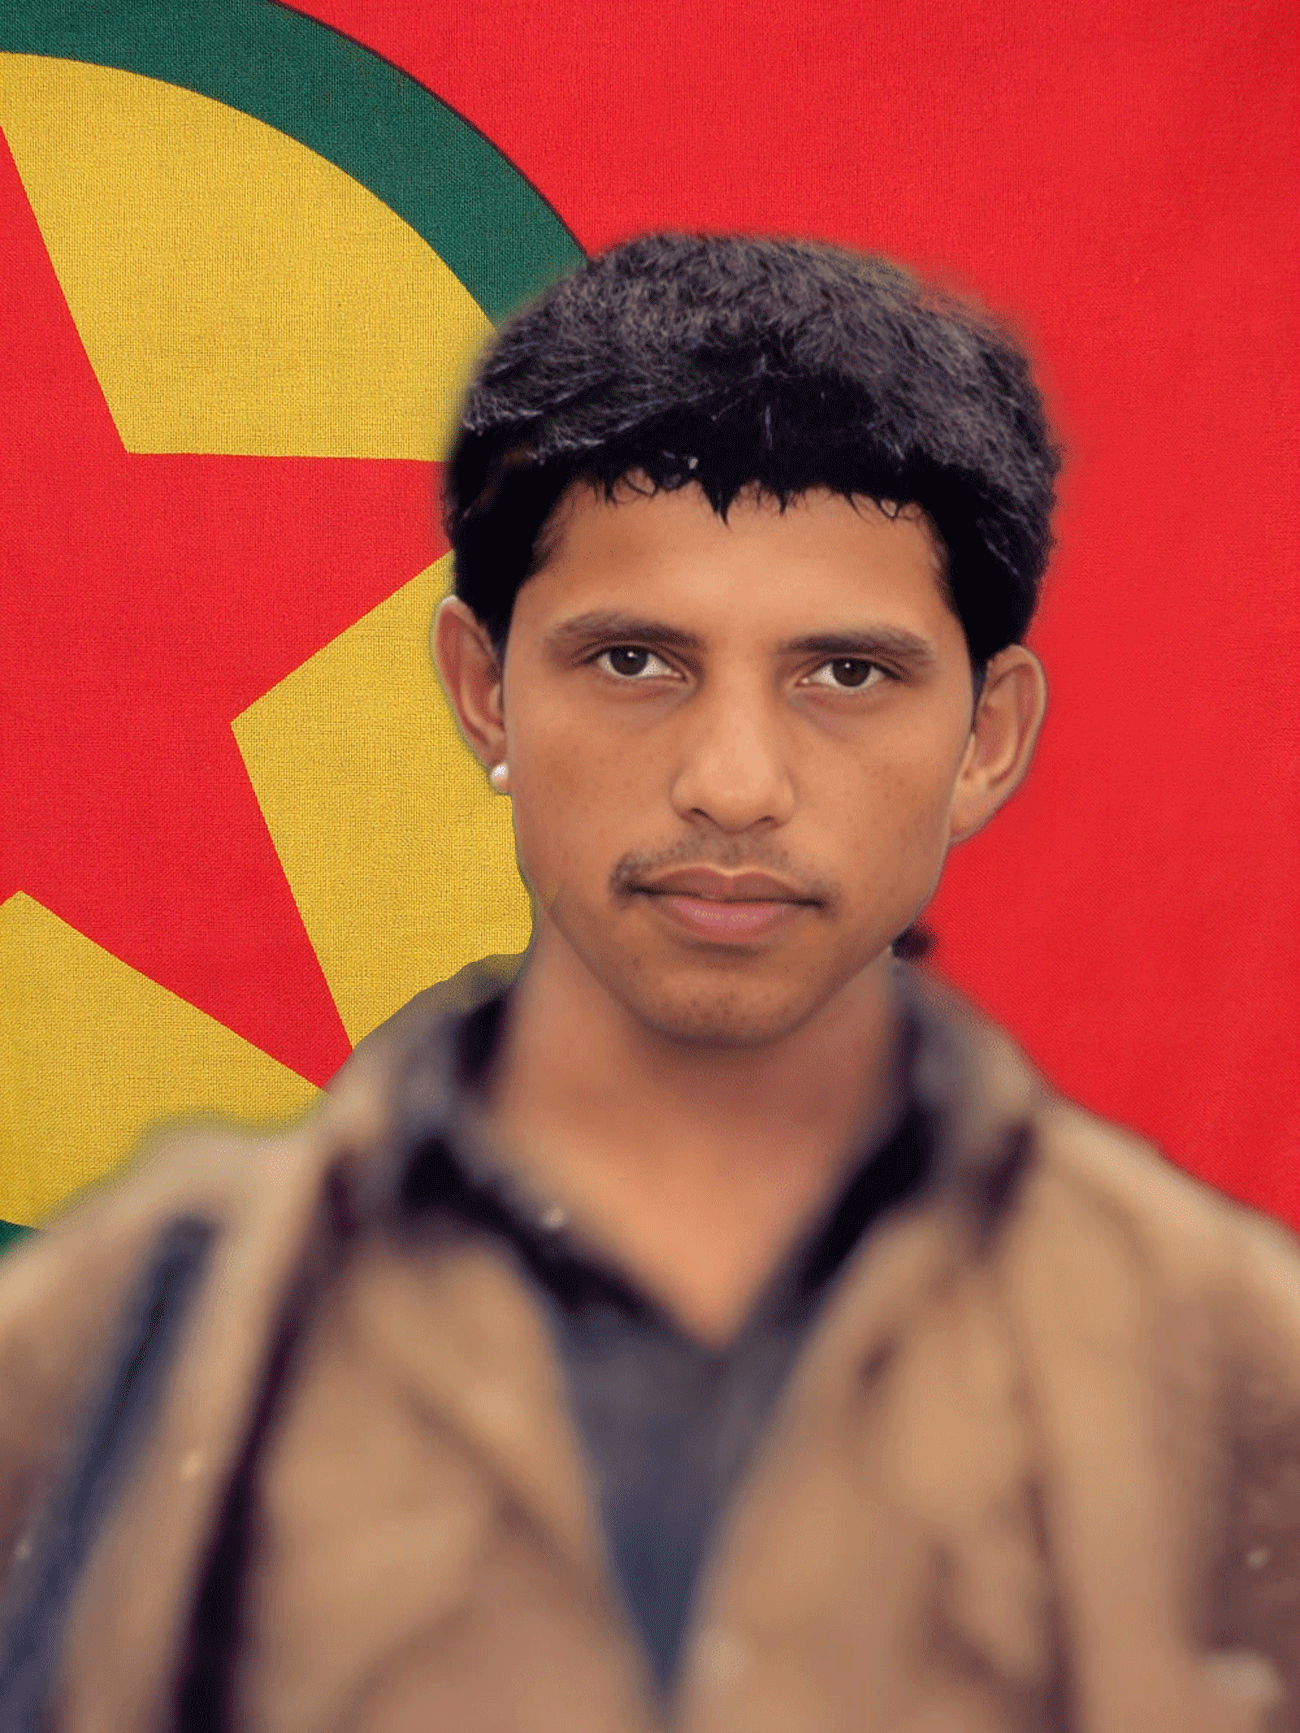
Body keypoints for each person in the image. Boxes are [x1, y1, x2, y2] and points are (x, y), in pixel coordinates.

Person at [1, 234, 1297, 1733]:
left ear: (988, 739)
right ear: (484, 689)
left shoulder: (1227, 1368)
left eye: (847, 674)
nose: (733, 784)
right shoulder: (135, 1344)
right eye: (634, 662)